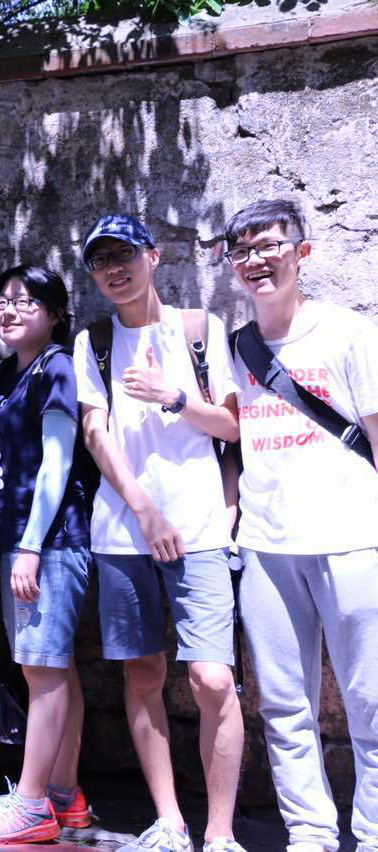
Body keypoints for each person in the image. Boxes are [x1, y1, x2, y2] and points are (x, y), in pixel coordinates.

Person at [73, 214, 245, 852]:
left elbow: (232, 427)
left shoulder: (200, 329)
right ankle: (169, 820)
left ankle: (221, 833)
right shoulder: (93, 342)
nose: (113, 269)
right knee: (142, 673)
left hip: (199, 527)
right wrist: (143, 510)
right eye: (100, 261)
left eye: (124, 254)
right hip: (123, 533)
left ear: (153, 255)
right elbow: (95, 433)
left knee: (213, 678)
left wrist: (172, 396)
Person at [221, 198, 378, 852]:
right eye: (243, 251)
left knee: (371, 703)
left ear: (302, 253)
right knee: (285, 707)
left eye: (270, 246)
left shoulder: (349, 333)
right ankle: (310, 834)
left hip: (352, 538)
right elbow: (232, 441)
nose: (256, 260)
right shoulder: (237, 348)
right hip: (266, 544)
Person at [0, 265, 94, 844]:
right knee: (53, 669)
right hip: (21, 540)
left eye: (25, 301)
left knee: (42, 672)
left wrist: (31, 546)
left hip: (49, 541)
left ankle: (33, 805)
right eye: (0, 301)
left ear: (57, 314)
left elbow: (58, 463)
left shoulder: (56, 366)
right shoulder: (4, 373)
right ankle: (64, 795)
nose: (8, 310)